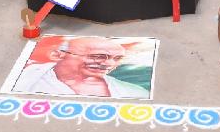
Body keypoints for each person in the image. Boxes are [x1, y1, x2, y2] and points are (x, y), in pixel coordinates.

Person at [13, 37, 149, 99]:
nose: (109, 64)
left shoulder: (134, 92)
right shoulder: (26, 79)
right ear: (57, 55)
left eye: (117, 58)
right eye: (98, 56)